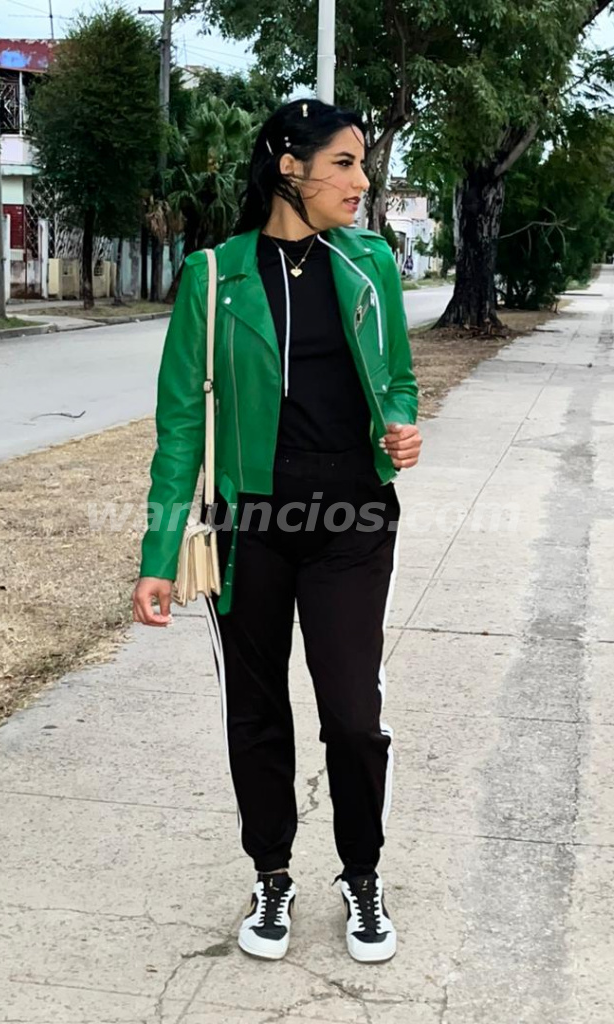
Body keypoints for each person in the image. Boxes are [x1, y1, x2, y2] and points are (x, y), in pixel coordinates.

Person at [133, 98, 421, 964]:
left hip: (352, 520)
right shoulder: (212, 275)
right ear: (289, 166)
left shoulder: (371, 263)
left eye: (362, 164)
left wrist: (399, 425)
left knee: (352, 714)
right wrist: (158, 556)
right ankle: (271, 873)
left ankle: (361, 874)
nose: (361, 182)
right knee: (255, 713)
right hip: (248, 526)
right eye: (345, 164)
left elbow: (398, 379)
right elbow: (180, 427)